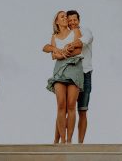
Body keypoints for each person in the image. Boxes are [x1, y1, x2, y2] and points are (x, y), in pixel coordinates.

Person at [43, 10, 84, 143]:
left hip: (74, 68)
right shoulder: (54, 37)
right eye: (62, 17)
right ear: (57, 21)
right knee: (61, 105)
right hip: (59, 71)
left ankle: (69, 140)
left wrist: (64, 53)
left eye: (66, 16)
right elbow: (53, 55)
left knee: (71, 105)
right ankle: (62, 139)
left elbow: (79, 49)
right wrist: (59, 52)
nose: (65, 18)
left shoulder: (75, 31)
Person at [65, 10, 94, 143]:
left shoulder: (85, 30)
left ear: (78, 20)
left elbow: (85, 41)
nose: (72, 22)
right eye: (69, 20)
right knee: (67, 109)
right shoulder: (64, 34)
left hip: (85, 73)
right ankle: (67, 141)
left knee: (82, 110)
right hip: (70, 75)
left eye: (74, 20)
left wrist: (69, 45)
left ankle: (80, 144)